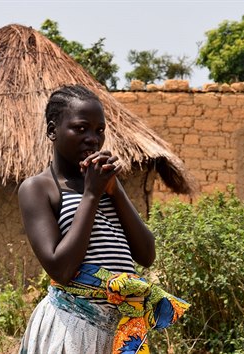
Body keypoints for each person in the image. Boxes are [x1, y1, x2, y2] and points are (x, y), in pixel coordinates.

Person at [18, 85, 187, 354]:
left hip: (120, 331)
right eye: (80, 128)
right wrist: (91, 194)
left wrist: (115, 190)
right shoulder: (39, 188)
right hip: (72, 327)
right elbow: (60, 269)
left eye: (99, 130)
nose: (92, 139)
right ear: (52, 130)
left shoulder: (106, 188)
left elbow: (146, 254)